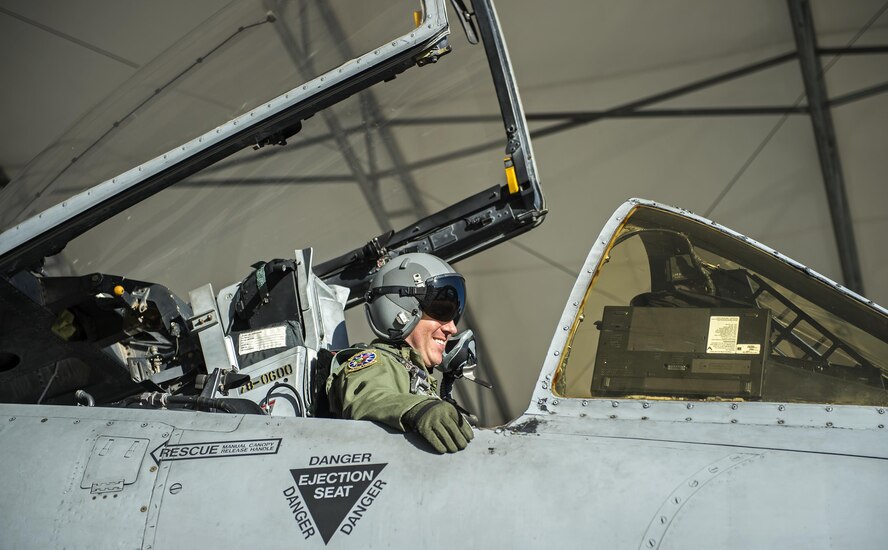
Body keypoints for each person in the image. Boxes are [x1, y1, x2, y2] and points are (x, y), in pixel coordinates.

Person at [326, 253, 474, 453]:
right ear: (400, 310)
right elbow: (367, 399)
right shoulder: (376, 361)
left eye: (454, 316)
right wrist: (419, 409)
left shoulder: (417, 376)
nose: (452, 329)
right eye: (441, 312)